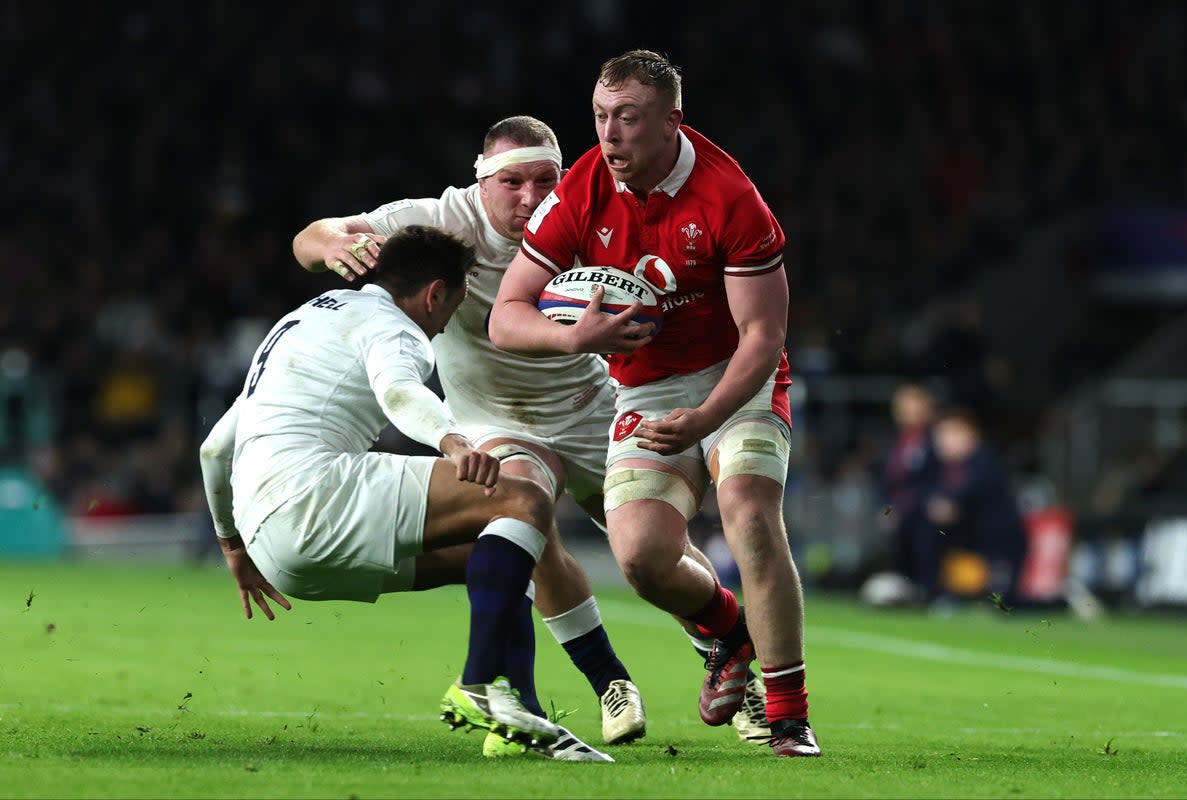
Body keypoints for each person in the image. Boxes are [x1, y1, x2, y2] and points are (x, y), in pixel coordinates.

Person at [290, 115, 772, 749]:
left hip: (591, 404)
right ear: (481, 180)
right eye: (512, 181)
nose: (530, 196)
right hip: (495, 416)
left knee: (657, 547)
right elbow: (313, 235)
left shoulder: (585, 209)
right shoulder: (440, 218)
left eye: (545, 179)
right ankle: (604, 684)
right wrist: (328, 247)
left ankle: (721, 650)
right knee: (526, 525)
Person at [489, 50, 820, 758]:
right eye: (601, 117)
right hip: (644, 388)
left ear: (672, 121)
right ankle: (729, 636)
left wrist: (705, 420)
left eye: (628, 119)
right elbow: (506, 314)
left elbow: (764, 336)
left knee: (750, 515)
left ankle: (789, 715)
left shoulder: (731, 198)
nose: (610, 136)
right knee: (640, 557)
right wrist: (575, 334)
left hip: (738, 378)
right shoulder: (581, 187)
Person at [198, 226, 607, 761]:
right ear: (435, 293)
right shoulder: (396, 328)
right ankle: (481, 682)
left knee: (505, 552)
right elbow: (398, 389)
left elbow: (214, 448)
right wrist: (454, 443)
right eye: (452, 308)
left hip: (273, 551)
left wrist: (233, 547)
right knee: (525, 498)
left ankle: (517, 709)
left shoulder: (303, 321)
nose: (443, 327)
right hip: (318, 496)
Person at [926, 407, 1028, 605]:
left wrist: (950, 505)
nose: (944, 440)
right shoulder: (941, 468)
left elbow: (971, 492)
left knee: (1006, 603)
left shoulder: (985, 462)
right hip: (968, 544)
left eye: (952, 432)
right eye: (940, 434)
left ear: (971, 434)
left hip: (998, 546)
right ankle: (931, 589)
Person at [876, 381, 942, 602]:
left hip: (924, 508)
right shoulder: (897, 441)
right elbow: (889, 483)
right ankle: (906, 591)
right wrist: (887, 510)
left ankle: (929, 591)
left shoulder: (936, 440)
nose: (905, 411)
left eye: (911, 405)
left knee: (924, 535)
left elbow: (938, 477)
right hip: (899, 509)